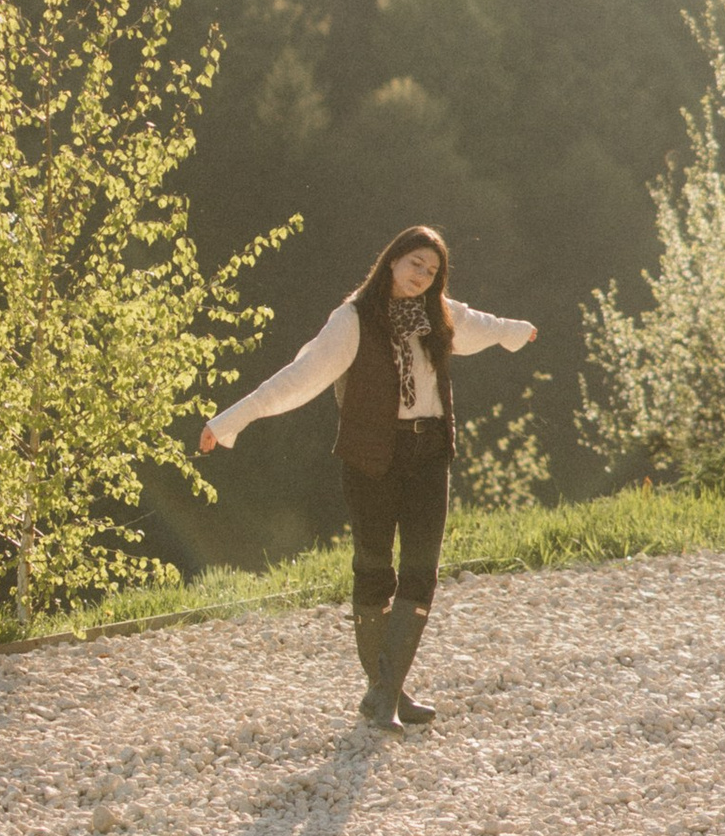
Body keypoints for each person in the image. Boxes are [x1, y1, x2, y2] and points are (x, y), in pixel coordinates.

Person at [200, 225, 536, 730]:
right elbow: (300, 375)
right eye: (414, 264)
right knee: (375, 571)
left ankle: (384, 694)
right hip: (372, 455)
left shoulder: (440, 315)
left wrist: (518, 331)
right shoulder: (353, 319)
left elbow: (485, 325)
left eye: (431, 270)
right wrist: (229, 421)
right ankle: (387, 694)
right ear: (392, 260)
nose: (422, 276)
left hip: (429, 451)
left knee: (422, 570)